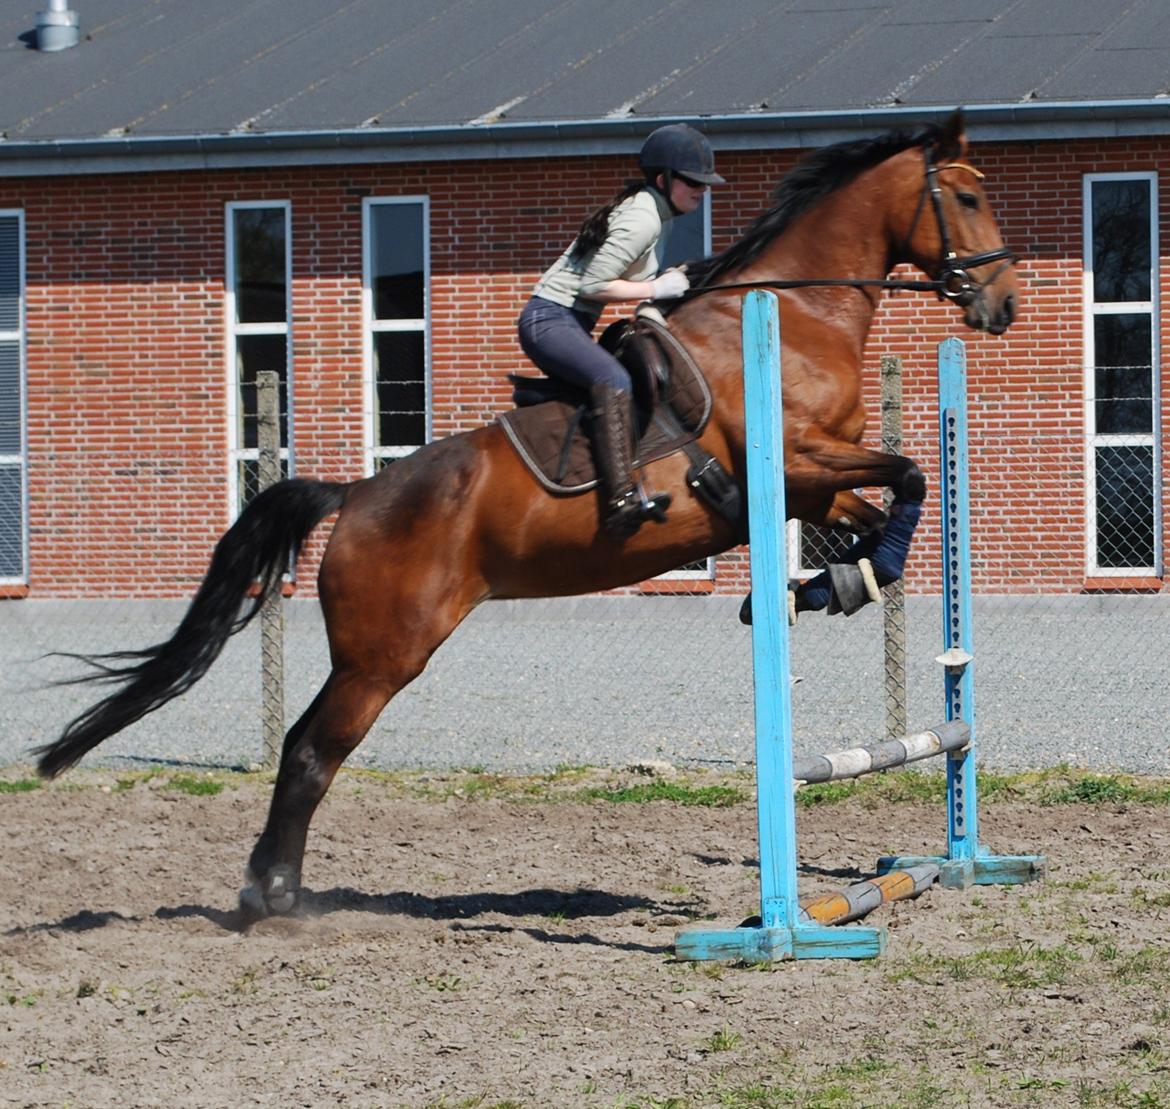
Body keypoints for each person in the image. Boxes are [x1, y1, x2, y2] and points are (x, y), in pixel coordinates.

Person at [518, 123, 725, 538]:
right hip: (550, 320)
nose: (702, 191)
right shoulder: (644, 218)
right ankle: (619, 502)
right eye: (693, 183)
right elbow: (594, 285)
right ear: (665, 180)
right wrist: (655, 288)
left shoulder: (657, 212)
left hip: (567, 321)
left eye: (706, 184)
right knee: (613, 378)